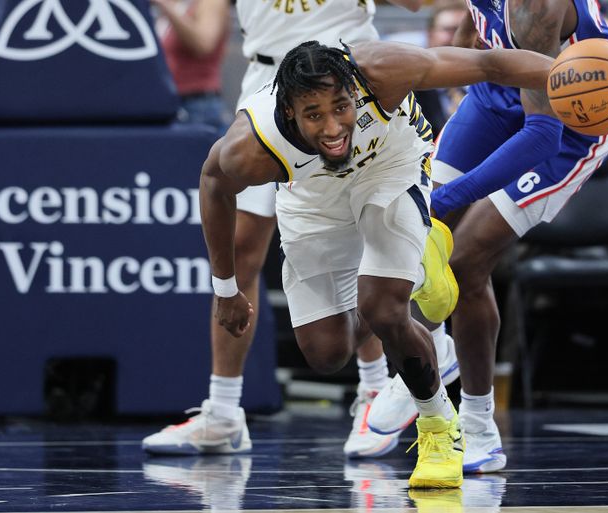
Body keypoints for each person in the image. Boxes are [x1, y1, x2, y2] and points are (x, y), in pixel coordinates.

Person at [200, 40, 553, 487]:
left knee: (384, 308)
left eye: (341, 107)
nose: (333, 128)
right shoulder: (250, 144)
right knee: (327, 354)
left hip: (391, 167)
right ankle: (417, 268)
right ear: (289, 112)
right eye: (314, 115)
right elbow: (212, 185)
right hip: (312, 200)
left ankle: (439, 428)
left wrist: (564, 72)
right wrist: (226, 289)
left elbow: (489, 63)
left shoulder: (383, 69)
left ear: (354, 90)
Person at [142, 0, 424, 458]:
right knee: (240, 247)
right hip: (268, 83)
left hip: (345, 88)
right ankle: (224, 412)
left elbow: (415, 6)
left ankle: (373, 390)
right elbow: (206, 29)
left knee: (362, 235)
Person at [368, 0, 608, 474]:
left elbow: (541, 137)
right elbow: (480, 25)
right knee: (409, 229)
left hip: (570, 121)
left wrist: (444, 205)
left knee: (464, 261)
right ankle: (435, 349)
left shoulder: (538, 8)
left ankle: (480, 425)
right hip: (499, 91)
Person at [152, 0, 234, 132]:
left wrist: (165, 6)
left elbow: (203, 45)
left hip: (197, 105)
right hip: (170, 103)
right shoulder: (176, 6)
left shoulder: (211, 3)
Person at [413, 0, 470, 136]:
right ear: (430, 35)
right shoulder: (411, 91)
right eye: (449, 30)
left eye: (464, 31)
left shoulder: (491, 86)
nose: (458, 38)